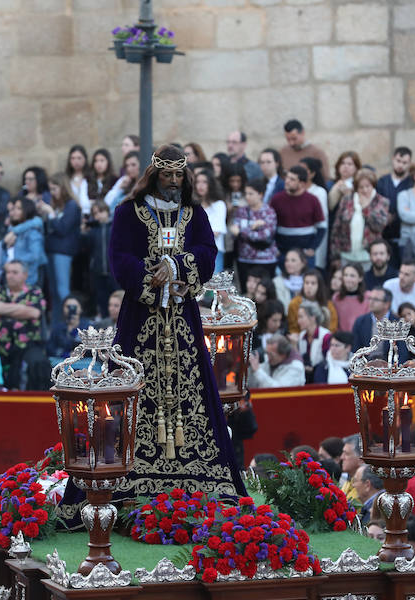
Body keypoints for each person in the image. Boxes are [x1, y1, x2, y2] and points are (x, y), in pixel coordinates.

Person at [58, 144, 247, 526]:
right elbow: (119, 258)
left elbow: (207, 252)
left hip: (182, 319)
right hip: (141, 319)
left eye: (180, 176)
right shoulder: (128, 213)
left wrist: (177, 266)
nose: (174, 182)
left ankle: (198, 477)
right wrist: (151, 274)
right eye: (168, 176)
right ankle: (127, 480)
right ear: (154, 175)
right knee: (131, 390)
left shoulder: (195, 214)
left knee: (194, 394)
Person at [0, 261, 49, 391]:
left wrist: (4, 309)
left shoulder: (35, 292)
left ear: (25, 275)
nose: (10, 275)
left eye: (14, 272)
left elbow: (34, 312)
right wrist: (22, 310)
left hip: (28, 345)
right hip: (0, 346)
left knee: (38, 362)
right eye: (8, 272)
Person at [37, 173, 81, 323]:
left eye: (54, 189)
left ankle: (70, 326)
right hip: (50, 250)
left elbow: (63, 229)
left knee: (63, 291)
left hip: (63, 252)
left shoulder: (72, 206)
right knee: (53, 292)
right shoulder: (56, 204)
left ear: (63, 187)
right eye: (50, 189)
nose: (52, 193)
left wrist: (50, 213)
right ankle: (57, 328)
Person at [330, 169, 390, 266]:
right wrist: (335, 255)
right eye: (361, 187)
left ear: (373, 185)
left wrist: (365, 208)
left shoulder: (381, 201)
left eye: (368, 186)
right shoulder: (347, 200)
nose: (365, 190)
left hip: (368, 255)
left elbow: (379, 226)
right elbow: (337, 228)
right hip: (346, 254)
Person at [230, 178, 278, 286]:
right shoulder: (241, 211)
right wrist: (253, 228)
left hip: (265, 259)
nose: (247, 197)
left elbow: (264, 235)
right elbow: (233, 233)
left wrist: (242, 232)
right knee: (246, 293)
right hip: (244, 259)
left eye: (251, 194)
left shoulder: (268, 212)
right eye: (246, 193)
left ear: (260, 194)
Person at [0, 197, 46, 291]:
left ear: (27, 210)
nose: (14, 211)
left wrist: (13, 263)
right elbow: (6, 252)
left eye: (19, 208)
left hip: (28, 278)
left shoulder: (32, 232)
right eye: (14, 208)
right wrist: (5, 264)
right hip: (12, 277)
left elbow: (35, 255)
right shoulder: (12, 230)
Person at [195, 168, 227, 273]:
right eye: (198, 182)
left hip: (213, 252)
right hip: (195, 253)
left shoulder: (219, 205)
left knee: (213, 287)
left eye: (204, 182)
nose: (200, 185)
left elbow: (216, 232)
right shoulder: (193, 206)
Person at [46, 295, 91, 363]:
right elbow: (50, 349)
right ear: (63, 308)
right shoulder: (58, 328)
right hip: (62, 364)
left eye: (74, 307)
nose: (71, 309)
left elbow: (93, 350)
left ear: (81, 309)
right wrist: (65, 354)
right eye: (68, 307)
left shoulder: (88, 327)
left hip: (83, 364)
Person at [295, 301, 330, 383]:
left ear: (312, 317)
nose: (298, 321)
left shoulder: (325, 336)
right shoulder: (301, 336)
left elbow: (328, 363)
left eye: (301, 317)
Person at [352, 287, 395, 351]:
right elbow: (355, 348)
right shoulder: (360, 321)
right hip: (366, 360)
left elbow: (401, 352)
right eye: (370, 298)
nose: (371, 302)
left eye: (376, 299)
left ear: (387, 304)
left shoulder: (397, 323)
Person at [332, 263, 369, 332]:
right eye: (346, 275)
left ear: (360, 278)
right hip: (341, 338)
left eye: (352, 276)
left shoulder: (367, 297)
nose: (348, 279)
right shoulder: (336, 298)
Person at [65, 145, 91, 214]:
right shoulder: (66, 178)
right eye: (73, 158)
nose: (76, 161)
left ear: (85, 159)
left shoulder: (91, 176)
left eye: (79, 158)